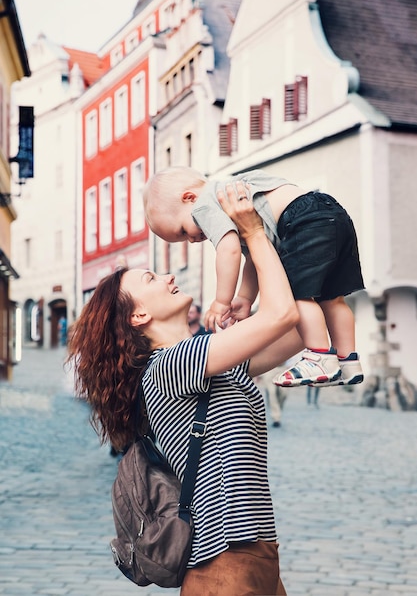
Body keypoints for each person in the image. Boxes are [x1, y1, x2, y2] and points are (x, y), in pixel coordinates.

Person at [67, 182, 303, 596]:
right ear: (138, 315)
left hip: (255, 551)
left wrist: (301, 237)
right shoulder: (171, 366)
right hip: (224, 559)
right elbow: (281, 315)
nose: (168, 276)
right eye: (151, 278)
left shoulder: (206, 358)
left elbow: (298, 328)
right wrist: (251, 234)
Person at [143, 166, 365, 389]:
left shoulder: (205, 204)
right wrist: (245, 297)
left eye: (182, 231)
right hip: (330, 212)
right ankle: (348, 360)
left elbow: (228, 250)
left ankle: (319, 357)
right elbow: (252, 256)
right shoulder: (232, 191)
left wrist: (222, 301)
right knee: (333, 298)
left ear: (189, 198)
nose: (191, 240)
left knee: (300, 295)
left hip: (300, 220)